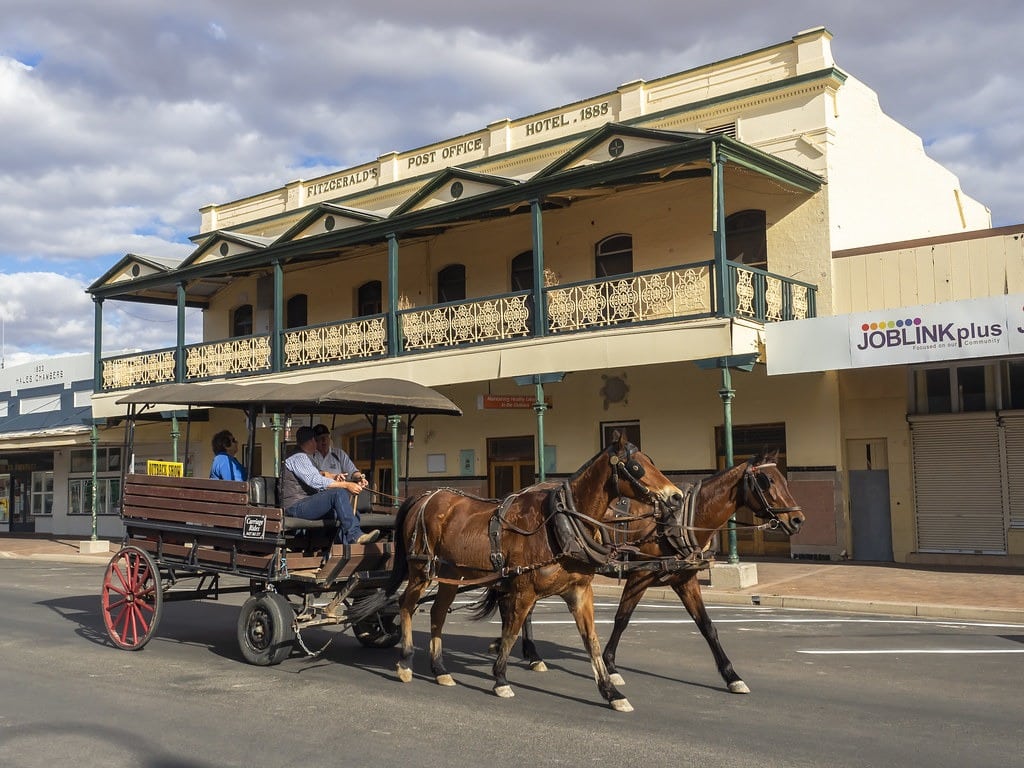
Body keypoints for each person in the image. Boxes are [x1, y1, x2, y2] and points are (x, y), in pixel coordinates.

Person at [280, 426, 379, 545]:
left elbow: (318, 475)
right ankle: (354, 536)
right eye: (316, 441)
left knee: (350, 512)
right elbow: (314, 480)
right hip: (295, 506)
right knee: (338, 492)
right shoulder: (298, 457)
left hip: (306, 504)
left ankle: (339, 549)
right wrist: (346, 485)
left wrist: (333, 477)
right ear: (312, 441)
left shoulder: (306, 457)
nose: (317, 445)